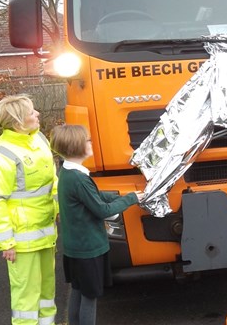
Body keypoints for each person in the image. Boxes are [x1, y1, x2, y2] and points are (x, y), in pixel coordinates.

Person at [50, 124, 145, 325]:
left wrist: (117, 195)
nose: (91, 143)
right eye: (87, 140)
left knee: (78, 292)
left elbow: (92, 197)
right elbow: (102, 210)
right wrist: (131, 199)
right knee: (89, 298)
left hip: (75, 249)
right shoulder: (79, 179)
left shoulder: (67, 172)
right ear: (77, 146)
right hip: (89, 250)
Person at [0, 94, 58, 325]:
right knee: (26, 301)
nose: (37, 114)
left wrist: (60, 208)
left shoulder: (40, 139)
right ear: (18, 122)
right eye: (31, 112)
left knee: (46, 295)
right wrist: (6, 243)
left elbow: (52, 180)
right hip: (22, 243)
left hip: (46, 233)